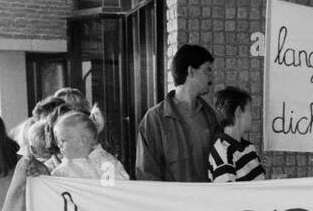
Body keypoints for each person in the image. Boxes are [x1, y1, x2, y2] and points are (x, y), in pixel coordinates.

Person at [136, 44, 221, 182]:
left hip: (207, 201)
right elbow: (147, 175)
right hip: (172, 202)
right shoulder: (154, 120)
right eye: (208, 70)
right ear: (191, 71)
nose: (213, 76)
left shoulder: (211, 116)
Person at [51, 110, 128, 181]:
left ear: (82, 141)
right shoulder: (62, 172)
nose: (59, 145)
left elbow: (120, 188)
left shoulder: (107, 163)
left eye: (63, 141)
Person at [209, 87, 265, 183]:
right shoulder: (223, 151)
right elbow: (227, 195)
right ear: (238, 111)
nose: (252, 116)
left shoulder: (249, 147)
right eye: (250, 110)